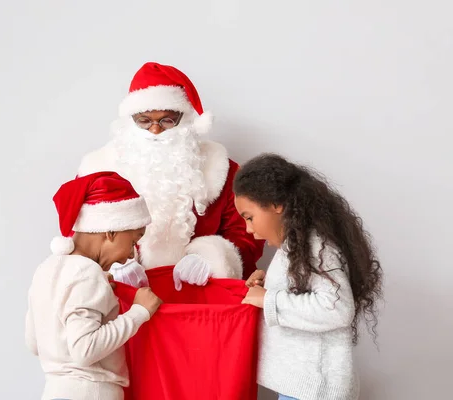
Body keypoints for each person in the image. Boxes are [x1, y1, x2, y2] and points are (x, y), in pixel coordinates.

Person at [77, 62, 265, 289]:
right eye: (144, 120)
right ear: (131, 120)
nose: (155, 130)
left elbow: (248, 231)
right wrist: (110, 262)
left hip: (200, 299)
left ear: (184, 119)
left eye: (167, 120)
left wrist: (211, 259)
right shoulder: (98, 168)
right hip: (122, 300)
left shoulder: (222, 169)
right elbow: (80, 235)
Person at [234, 154, 383, 400]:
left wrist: (269, 299)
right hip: (303, 387)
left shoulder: (314, 246)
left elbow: (337, 308)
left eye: (249, 217)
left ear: (275, 204)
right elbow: (300, 289)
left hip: (314, 390)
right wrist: (267, 285)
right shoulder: (295, 246)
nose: (249, 229)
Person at [26, 171, 162, 400]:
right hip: (92, 392)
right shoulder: (87, 274)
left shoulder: (46, 270)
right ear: (111, 231)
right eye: (133, 241)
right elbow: (84, 350)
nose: (131, 254)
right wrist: (140, 312)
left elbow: (33, 342)